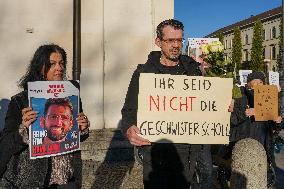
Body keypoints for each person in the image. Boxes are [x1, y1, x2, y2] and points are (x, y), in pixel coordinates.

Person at [121, 19, 212, 189]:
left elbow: (205, 106)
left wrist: (222, 106)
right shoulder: (143, 73)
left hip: (187, 155)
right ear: (158, 42)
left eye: (179, 40)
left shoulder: (193, 72)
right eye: (170, 40)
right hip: (154, 154)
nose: (176, 45)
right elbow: (129, 110)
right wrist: (128, 128)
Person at [0, 44, 89, 188]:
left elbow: (73, 135)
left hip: (67, 180)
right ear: (41, 67)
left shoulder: (72, 97)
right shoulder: (21, 101)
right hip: (34, 182)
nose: (59, 68)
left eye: (61, 63)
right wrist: (23, 129)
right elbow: (6, 143)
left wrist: (82, 128)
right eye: (52, 64)